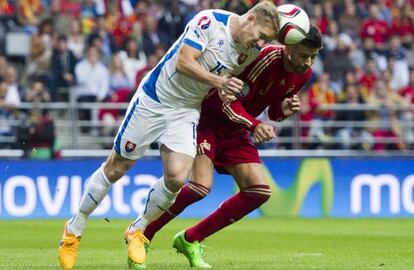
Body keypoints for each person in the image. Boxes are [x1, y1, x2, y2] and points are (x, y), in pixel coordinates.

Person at [58, 1, 280, 269]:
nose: (260, 43)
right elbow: (183, 62)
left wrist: (224, 90)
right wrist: (219, 82)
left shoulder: (250, 52)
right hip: (154, 99)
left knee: (176, 177)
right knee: (117, 167)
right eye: (261, 36)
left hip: (186, 111)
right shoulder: (209, 22)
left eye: (265, 41)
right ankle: (74, 228)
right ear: (251, 19)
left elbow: (222, 82)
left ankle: (137, 231)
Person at [142, 26, 323, 268]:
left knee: (258, 191)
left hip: (237, 127)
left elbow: (273, 109)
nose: (308, 62)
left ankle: (191, 238)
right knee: (199, 187)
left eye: (313, 56)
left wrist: (283, 111)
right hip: (208, 118)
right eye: (304, 55)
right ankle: (143, 233)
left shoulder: (304, 74)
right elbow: (224, 98)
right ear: (289, 48)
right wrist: (254, 124)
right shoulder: (264, 58)